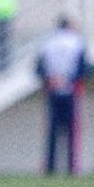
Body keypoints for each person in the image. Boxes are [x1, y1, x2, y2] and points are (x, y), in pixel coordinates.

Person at [36, 17, 87, 175]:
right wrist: (68, 80)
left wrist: (50, 79)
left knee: (52, 131)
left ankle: (50, 166)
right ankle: (72, 167)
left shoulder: (48, 42)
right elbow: (83, 66)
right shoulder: (77, 41)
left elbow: (39, 66)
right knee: (72, 131)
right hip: (70, 90)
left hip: (53, 89)